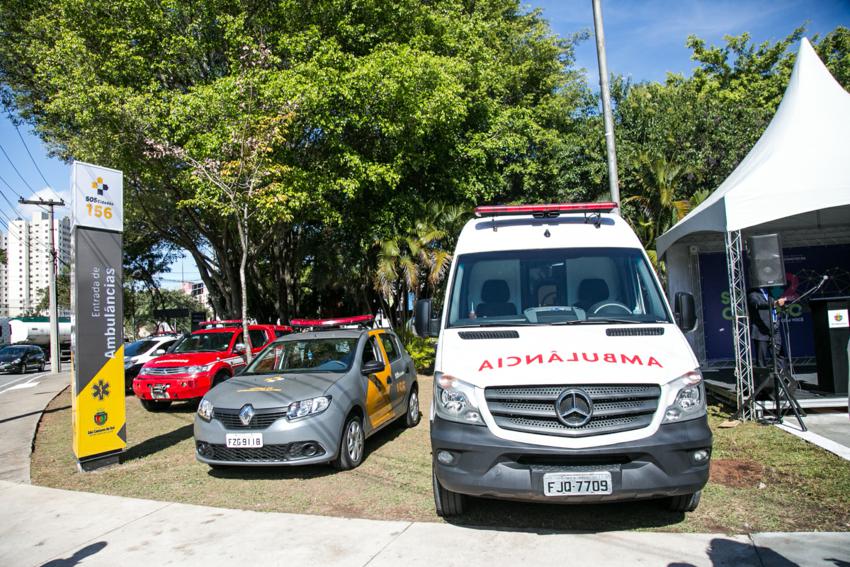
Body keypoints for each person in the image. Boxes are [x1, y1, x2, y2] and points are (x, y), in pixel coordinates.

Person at [747, 287, 786, 367]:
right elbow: (758, 304)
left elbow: (776, 307)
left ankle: (782, 377)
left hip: (774, 328)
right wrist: (775, 303)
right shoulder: (753, 293)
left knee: (779, 355)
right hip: (761, 330)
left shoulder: (770, 291)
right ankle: (763, 379)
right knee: (762, 358)